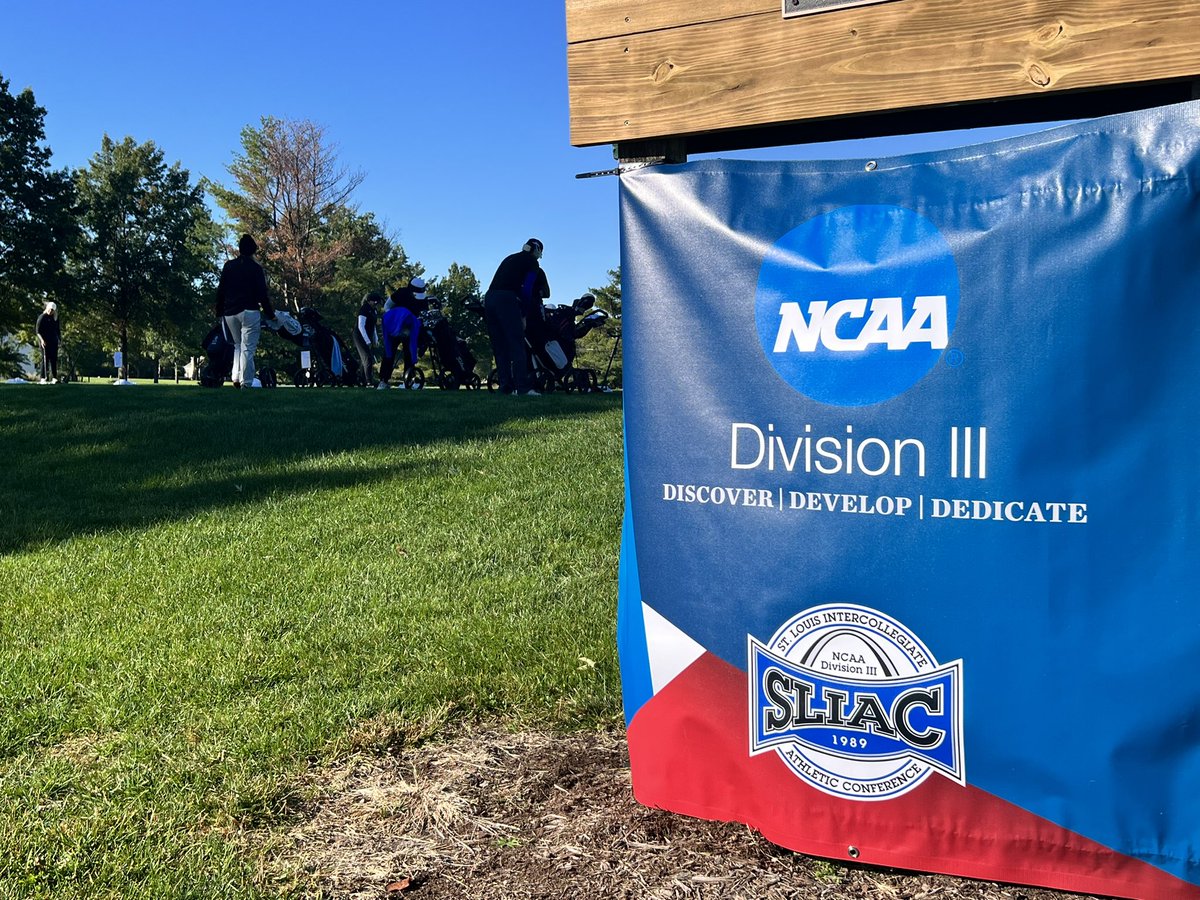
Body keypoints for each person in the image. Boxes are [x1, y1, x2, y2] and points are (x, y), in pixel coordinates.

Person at [485, 238, 549, 395]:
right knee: (517, 344)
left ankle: (505, 387)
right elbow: (527, 289)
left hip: (489, 298)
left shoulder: (510, 258)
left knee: (500, 347)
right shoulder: (532, 262)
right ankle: (522, 387)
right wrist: (524, 314)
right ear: (536, 250)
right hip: (507, 299)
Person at [216, 234, 275, 388]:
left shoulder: (229, 266)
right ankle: (246, 382)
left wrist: (219, 312)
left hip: (230, 312)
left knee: (237, 345)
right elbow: (262, 294)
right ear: (253, 250)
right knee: (247, 348)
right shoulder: (256, 268)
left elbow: (221, 290)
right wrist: (270, 314)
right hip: (249, 310)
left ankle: (235, 377)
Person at [376, 298, 421, 390]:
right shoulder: (387, 320)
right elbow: (387, 341)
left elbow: (413, 344)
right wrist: (388, 352)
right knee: (389, 354)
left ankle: (408, 381)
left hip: (403, 323)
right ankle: (383, 380)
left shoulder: (413, 323)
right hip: (393, 327)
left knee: (408, 354)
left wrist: (414, 359)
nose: (404, 335)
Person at [353, 292, 382, 385]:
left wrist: (375, 339)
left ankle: (361, 379)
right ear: (370, 301)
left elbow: (373, 327)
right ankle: (369, 380)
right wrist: (367, 341)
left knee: (365, 359)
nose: (377, 304)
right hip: (360, 336)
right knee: (367, 358)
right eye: (375, 302)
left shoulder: (374, 311)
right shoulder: (364, 309)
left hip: (368, 335)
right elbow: (361, 326)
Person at [35, 301, 61, 383]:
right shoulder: (42, 317)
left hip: (53, 341)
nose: (51, 311)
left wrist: (60, 340)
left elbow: (58, 330)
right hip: (44, 341)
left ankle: (54, 378)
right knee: (45, 359)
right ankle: (43, 378)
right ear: (47, 308)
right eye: (50, 309)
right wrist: (42, 340)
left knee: (54, 359)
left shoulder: (55, 318)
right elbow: (37, 331)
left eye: (52, 310)